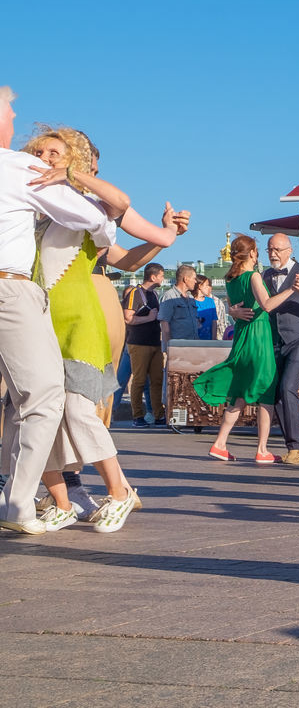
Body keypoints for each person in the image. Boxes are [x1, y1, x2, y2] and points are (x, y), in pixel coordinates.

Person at [20, 127, 150, 532]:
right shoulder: (37, 214)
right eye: (40, 151)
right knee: (40, 416)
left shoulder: (86, 207)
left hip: (82, 321)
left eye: (55, 152)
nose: (46, 156)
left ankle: (118, 491)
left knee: (79, 410)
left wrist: (72, 175)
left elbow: (120, 210)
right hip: (40, 324)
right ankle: (61, 499)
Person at [0, 86, 117, 534]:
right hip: (13, 292)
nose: (15, 117)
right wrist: (68, 183)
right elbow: (92, 219)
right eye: (11, 110)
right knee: (43, 396)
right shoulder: (19, 168)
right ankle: (17, 503)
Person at [195, 236, 299, 463]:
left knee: (240, 392)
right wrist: (292, 289)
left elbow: (234, 307)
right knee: (265, 391)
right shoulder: (253, 276)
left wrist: (233, 313)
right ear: (252, 253)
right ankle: (262, 450)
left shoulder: (231, 279)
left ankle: (220, 443)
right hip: (258, 337)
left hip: (241, 337)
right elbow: (268, 305)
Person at [237, 234, 299, 467]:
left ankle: (295, 447)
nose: (273, 254)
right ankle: (297, 447)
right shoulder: (264, 275)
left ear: (289, 250)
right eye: (269, 250)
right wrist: (233, 312)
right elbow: (245, 302)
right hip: (272, 341)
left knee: (288, 387)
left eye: (277, 249)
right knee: (276, 393)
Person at [123, 262, 165, 426]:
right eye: (161, 275)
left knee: (156, 380)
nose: (163, 278)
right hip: (139, 343)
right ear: (153, 276)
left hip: (155, 342)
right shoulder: (135, 293)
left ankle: (158, 414)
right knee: (139, 380)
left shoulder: (154, 294)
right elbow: (128, 318)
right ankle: (137, 416)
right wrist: (149, 318)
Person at [159, 264, 201, 349]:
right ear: (186, 279)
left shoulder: (191, 298)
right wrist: (169, 348)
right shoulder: (169, 297)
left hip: (193, 346)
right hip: (178, 348)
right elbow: (164, 325)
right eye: (194, 278)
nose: (196, 281)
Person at [193, 274, 230, 341]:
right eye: (207, 285)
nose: (210, 287)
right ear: (200, 286)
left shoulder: (211, 301)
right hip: (194, 341)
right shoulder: (190, 302)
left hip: (209, 340)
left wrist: (213, 340)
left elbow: (214, 322)